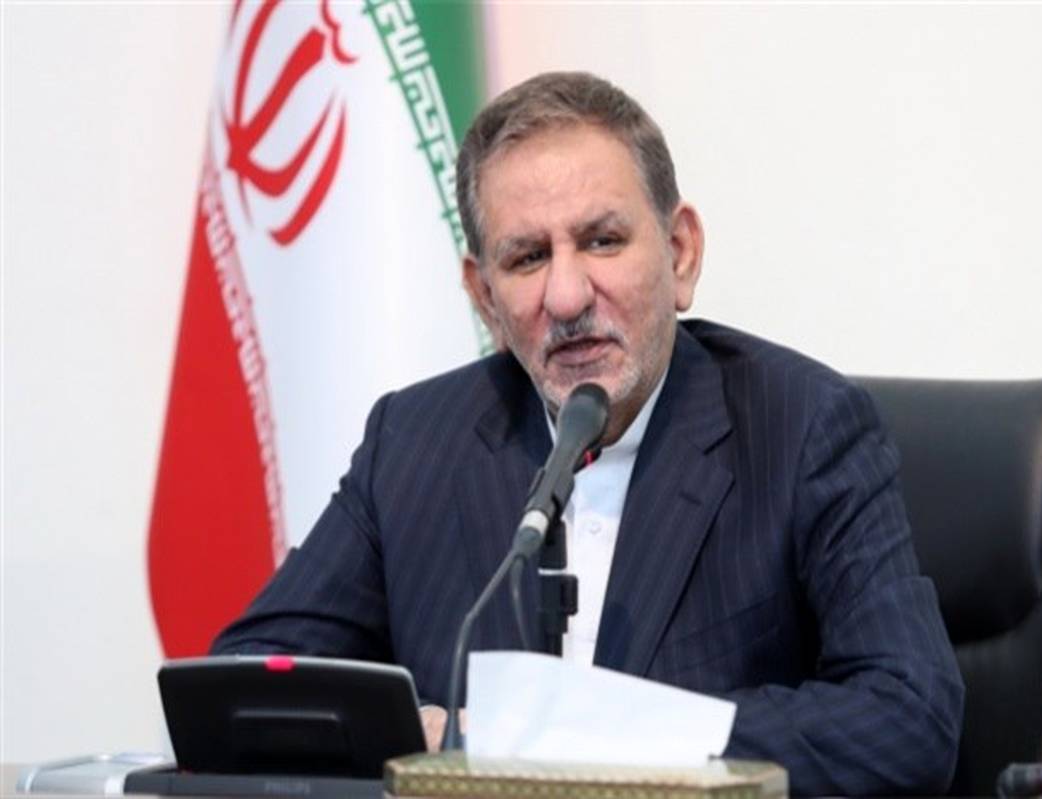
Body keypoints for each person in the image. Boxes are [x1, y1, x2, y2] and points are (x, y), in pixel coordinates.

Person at [213, 71, 964, 795]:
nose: (567, 296)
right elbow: (243, 687)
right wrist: (418, 734)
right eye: (528, 257)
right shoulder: (412, 442)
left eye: (602, 241)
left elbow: (909, 718)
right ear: (484, 297)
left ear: (680, 253)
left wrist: (574, 739)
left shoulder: (802, 427)